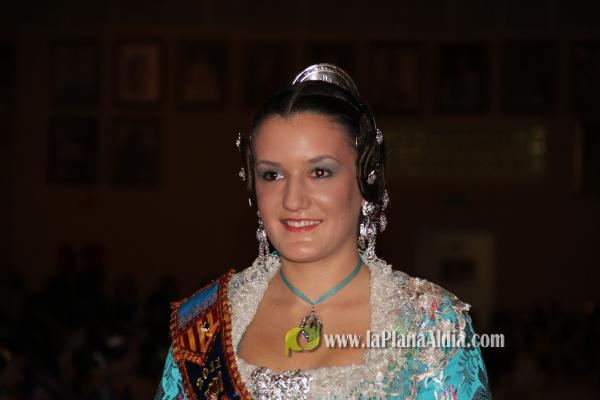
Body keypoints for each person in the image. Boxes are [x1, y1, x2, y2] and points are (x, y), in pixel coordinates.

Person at [155, 64, 491, 400]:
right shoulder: (205, 324)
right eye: (272, 175)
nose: (293, 200)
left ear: (366, 178)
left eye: (319, 172)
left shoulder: (429, 324)